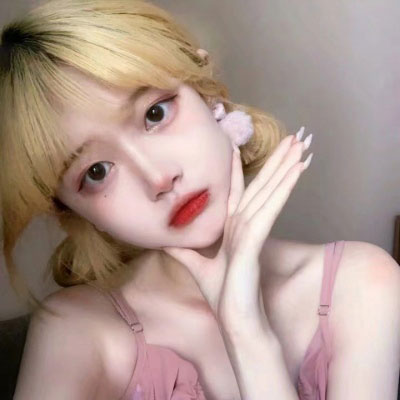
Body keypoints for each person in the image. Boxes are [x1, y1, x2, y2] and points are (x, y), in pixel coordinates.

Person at [1, 0, 399, 399]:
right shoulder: (77, 334)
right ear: (70, 210)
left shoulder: (360, 285)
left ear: (205, 91)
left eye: (155, 113)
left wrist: (246, 331)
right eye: (96, 172)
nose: (159, 178)